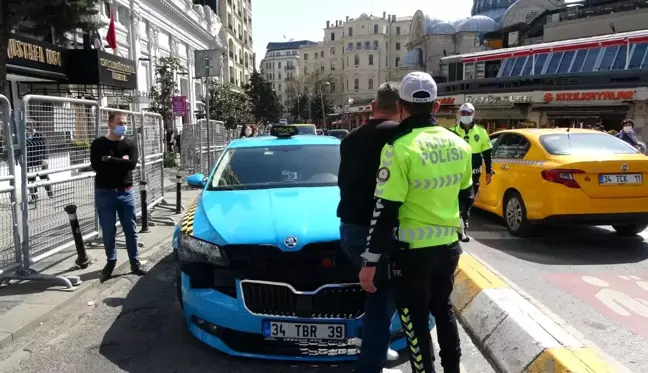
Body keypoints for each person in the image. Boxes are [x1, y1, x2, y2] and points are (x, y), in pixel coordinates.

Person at [359, 72, 474, 373]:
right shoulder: (459, 145)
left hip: (412, 253)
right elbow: (467, 196)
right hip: (448, 247)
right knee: (444, 310)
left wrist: (370, 260)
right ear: (435, 107)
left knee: (414, 320)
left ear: (400, 107)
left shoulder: (399, 148)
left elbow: (385, 209)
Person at [337, 82, 403, 373]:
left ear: (373, 107)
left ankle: (370, 338)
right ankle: (371, 363)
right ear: (400, 109)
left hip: (350, 229)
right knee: (382, 300)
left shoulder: (349, 139)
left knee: (377, 296)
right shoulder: (401, 137)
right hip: (381, 232)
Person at [90, 112, 147, 283]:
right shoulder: (98, 144)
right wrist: (119, 161)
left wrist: (109, 160)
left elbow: (132, 164)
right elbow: (97, 166)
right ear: (110, 124)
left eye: (125, 123)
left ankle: (134, 262)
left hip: (125, 192)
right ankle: (111, 261)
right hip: (104, 193)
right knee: (108, 231)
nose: (124, 125)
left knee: (130, 229)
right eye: (120, 122)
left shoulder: (130, 143)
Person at [448, 103, 492, 241]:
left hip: (474, 171)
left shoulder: (481, 132)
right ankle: (459, 224)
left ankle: (463, 221)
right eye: (463, 113)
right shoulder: (452, 132)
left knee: (469, 199)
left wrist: (489, 171)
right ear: (459, 114)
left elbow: (487, 153)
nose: (465, 116)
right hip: (456, 172)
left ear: (474, 114)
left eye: (468, 113)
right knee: (456, 198)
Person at [25, 120, 53, 203]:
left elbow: (46, 146)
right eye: (27, 125)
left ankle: (50, 192)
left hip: (40, 160)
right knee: (31, 179)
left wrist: (45, 158)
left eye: (29, 125)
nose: (28, 127)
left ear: (34, 126)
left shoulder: (40, 135)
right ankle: (34, 197)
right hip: (30, 162)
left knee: (44, 177)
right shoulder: (25, 136)